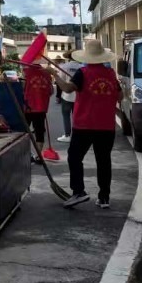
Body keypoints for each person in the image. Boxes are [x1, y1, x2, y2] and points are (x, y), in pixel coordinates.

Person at [52, 39, 122, 209]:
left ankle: (78, 191)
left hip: (84, 124)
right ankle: (104, 197)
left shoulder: (83, 73)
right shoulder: (111, 74)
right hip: (106, 126)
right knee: (103, 160)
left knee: (75, 157)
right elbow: (120, 96)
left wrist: (54, 75)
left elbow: (67, 89)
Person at [23, 61, 56, 160]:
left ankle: (26, 154)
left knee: (24, 132)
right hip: (41, 108)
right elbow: (51, 91)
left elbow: (23, 89)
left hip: (28, 107)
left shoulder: (27, 73)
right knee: (39, 132)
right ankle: (38, 156)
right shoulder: (47, 74)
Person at [57, 50, 82, 144]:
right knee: (77, 116)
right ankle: (77, 136)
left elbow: (61, 82)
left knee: (66, 116)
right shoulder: (81, 67)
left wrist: (58, 95)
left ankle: (67, 135)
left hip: (66, 96)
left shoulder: (64, 67)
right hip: (78, 96)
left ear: (69, 57)